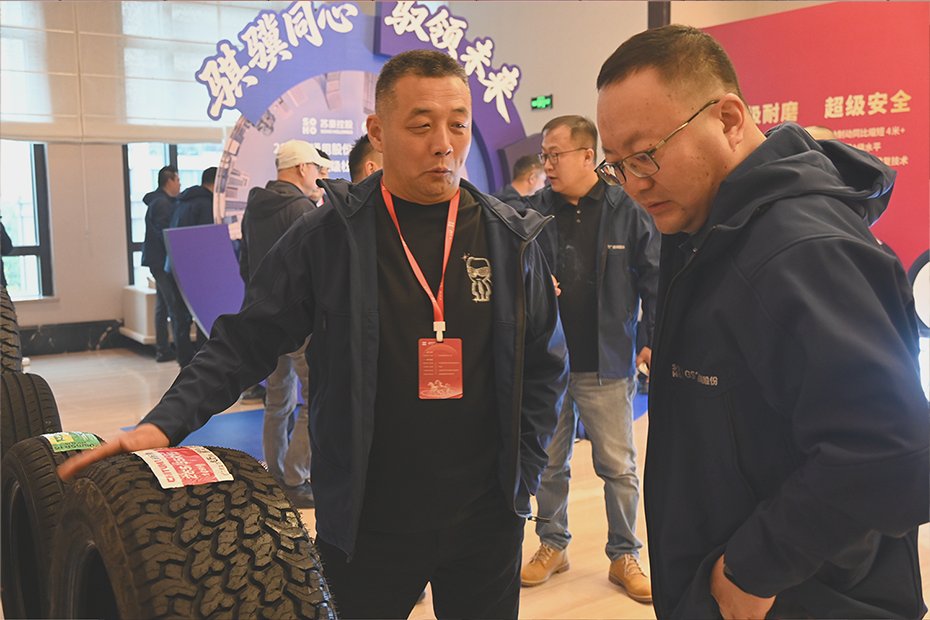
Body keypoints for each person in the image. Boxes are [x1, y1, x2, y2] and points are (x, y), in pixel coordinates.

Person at [60, 49, 568, 620]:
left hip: (485, 522)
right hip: (367, 524)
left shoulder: (508, 239)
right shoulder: (329, 236)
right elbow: (245, 339)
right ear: (378, 131)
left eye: (458, 124)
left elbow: (546, 366)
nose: (444, 144)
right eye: (422, 125)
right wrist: (164, 423)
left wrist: (521, 476)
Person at [595, 24, 928, 619]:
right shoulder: (705, 227)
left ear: (727, 119)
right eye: (617, 165)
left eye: (647, 154)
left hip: (804, 596)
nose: (635, 184)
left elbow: (892, 452)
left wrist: (755, 566)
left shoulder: (799, 251)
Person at [520, 115, 659, 604]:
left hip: (608, 361)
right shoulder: (533, 211)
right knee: (548, 465)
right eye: (543, 155)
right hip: (548, 362)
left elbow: (654, 276)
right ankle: (552, 544)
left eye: (554, 155)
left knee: (618, 467)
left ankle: (624, 554)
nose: (547, 165)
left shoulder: (626, 209)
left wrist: (650, 338)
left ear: (586, 156)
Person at [238, 140, 328, 509]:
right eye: (317, 168)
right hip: (301, 323)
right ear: (303, 167)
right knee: (316, 398)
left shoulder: (253, 208)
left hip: (266, 320)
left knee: (277, 401)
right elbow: (319, 270)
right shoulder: (301, 209)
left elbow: (245, 265)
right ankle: (296, 477)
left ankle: (275, 474)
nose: (319, 176)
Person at [163, 166, 217, 365]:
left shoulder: (180, 201)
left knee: (180, 318)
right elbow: (208, 240)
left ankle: (184, 362)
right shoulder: (207, 205)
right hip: (197, 270)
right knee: (204, 317)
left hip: (174, 267)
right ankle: (203, 364)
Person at [141, 165, 192, 365]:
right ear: (169, 181)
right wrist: (177, 255)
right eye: (178, 180)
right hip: (162, 261)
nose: (180, 184)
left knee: (162, 306)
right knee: (173, 306)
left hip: (157, 260)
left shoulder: (158, 201)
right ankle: (178, 351)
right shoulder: (162, 203)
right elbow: (165, 234)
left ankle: (163, 349)